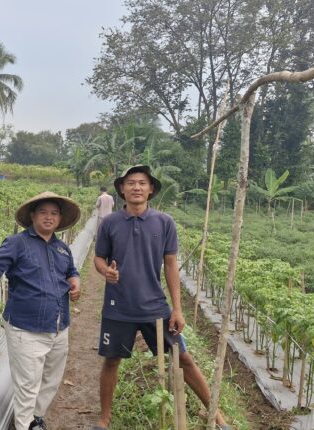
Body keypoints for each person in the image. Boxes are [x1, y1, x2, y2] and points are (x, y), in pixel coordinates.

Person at [92, 165, 231, 430]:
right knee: (111, 360)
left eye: (142, 183)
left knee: (183, 358)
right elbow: (99, 258)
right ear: (121, 189)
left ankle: (217, 415)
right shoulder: (110, 222)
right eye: (130, 183)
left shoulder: (164, 222)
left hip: (155, 306)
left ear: (151, 189)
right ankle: (104, 418)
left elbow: (170, 265)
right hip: (118, 306)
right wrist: (105, 270)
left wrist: (177, 309)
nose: (136, 187)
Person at [0, 191, 81, 430]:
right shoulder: (17, 243)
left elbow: (71, 271)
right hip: (26, 328)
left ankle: (36, 418)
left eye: (54, 213)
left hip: (59, 324)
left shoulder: (62, 248)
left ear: (60, 218)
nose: (49, 217)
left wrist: (76, 283)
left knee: (51, 379)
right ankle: (24, 424)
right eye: (43, 212)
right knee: (27, 385)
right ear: (32, 215)